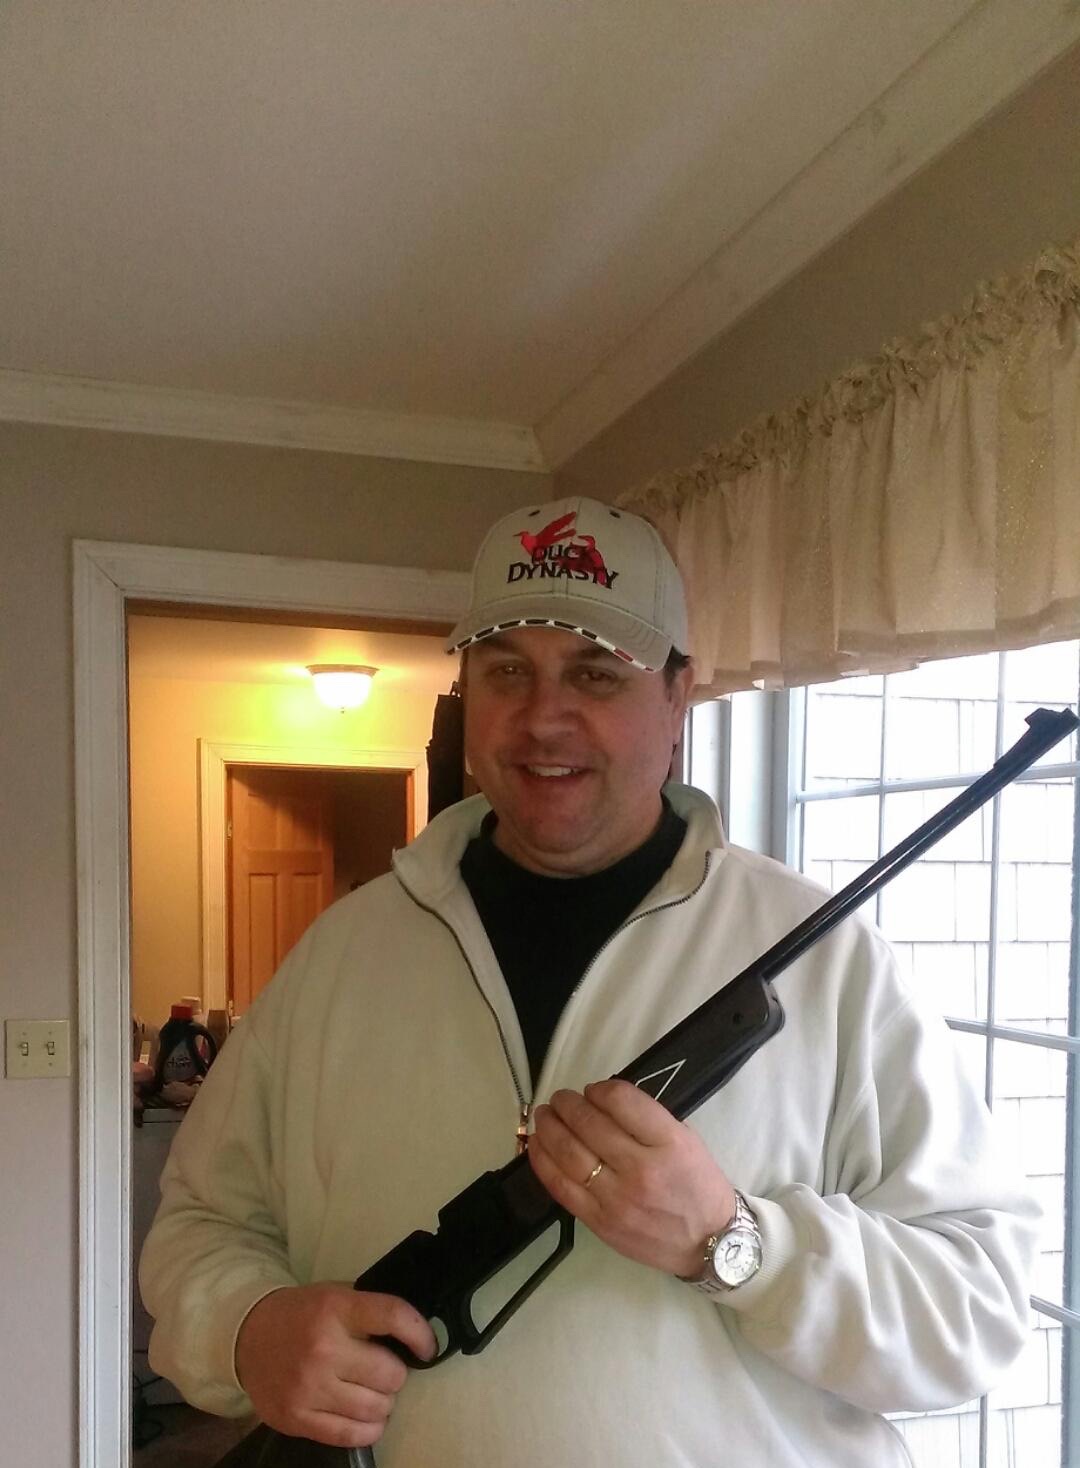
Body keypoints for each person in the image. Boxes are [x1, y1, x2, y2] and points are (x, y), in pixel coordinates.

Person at [140, 495, 1038, 1467]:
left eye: (595, 672)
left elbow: (977, 1312)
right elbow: (201, 1227)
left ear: (678, 696)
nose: (543, 717)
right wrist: (250, 1330)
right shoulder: (340, 955)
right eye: (507, 671)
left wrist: (735, 1243)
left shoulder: (831, 963)